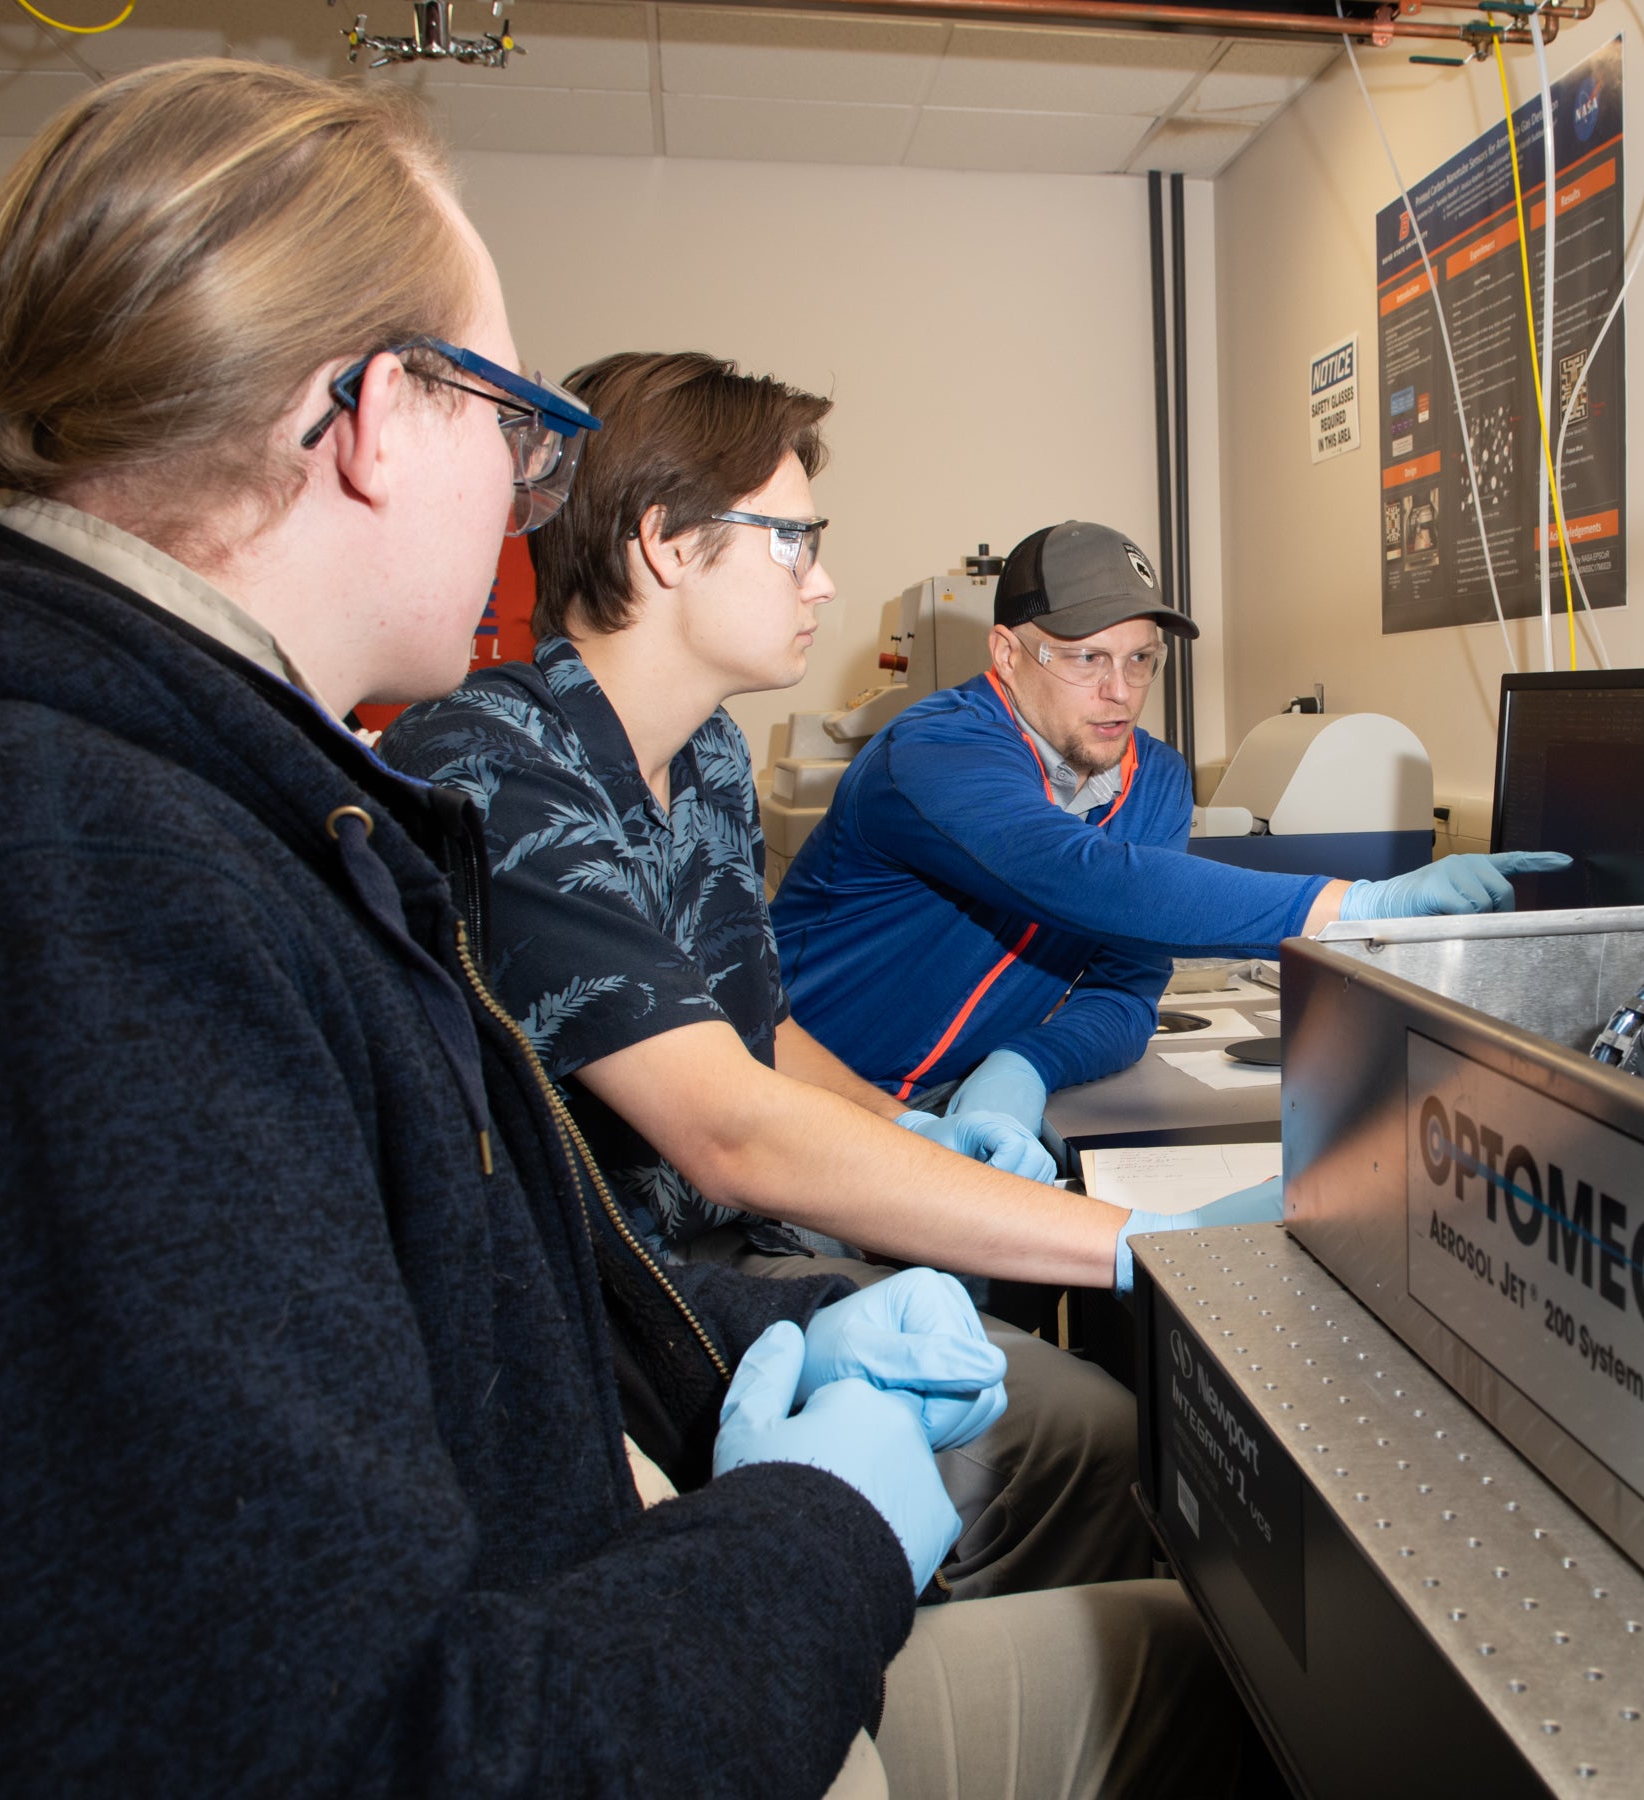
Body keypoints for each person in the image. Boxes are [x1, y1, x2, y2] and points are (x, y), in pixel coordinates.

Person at [0, 61, 1237, 1798]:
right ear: (382, 417)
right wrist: (820, 1517)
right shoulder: (84, 863)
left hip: (592, 1530)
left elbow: (489, 1252)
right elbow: (347, 1734)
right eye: (506, 416)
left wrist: (756, 1321)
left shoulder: (235, 798)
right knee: (1234, 1685)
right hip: (585, 1651)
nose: (523, 490)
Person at [384, 351, 1251, 1601]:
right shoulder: (492, 764)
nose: (824, 579)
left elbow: (753, 1035)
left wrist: (909, 1126)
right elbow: (726, 1125)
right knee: (1094, 1441)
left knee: (1094, 1421)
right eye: (793, 540)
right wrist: (1140, 1245)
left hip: (727, 1251)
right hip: (605, 1312)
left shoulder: (713, 761)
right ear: (668, 545)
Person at [769, 518, 1567, 1125]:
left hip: (948, 1116)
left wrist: (1025, 1064)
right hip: (806, 1109)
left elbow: (1125, 991)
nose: (1120, 689)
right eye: (1086, 658)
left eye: (1141, 658)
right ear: (1008, 655)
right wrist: (1361, 906)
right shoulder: (936, 748)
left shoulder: (1154, 781)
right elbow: (1080, 876)